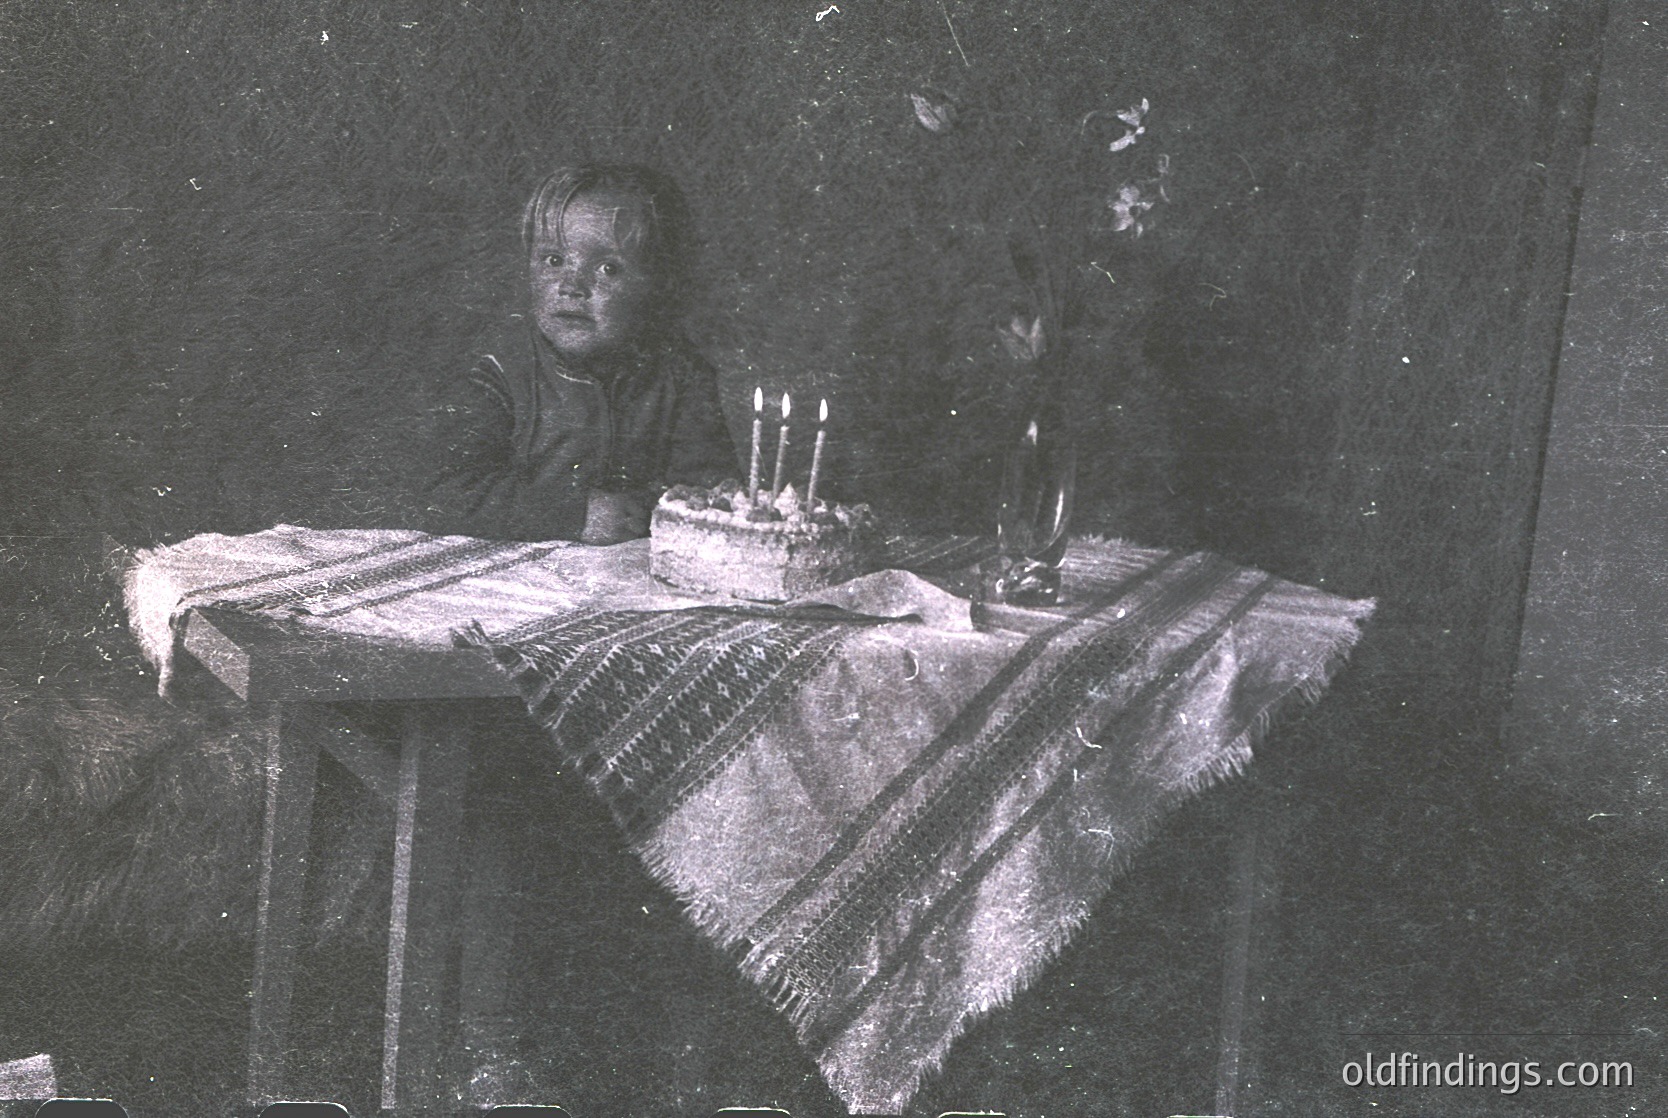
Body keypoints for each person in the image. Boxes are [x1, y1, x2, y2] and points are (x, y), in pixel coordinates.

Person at [425, 164, 739, 543]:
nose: (572, 286)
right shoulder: (499, 372)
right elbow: (445, 494)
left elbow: (712, 489)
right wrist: (570, 514)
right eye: (554, 260)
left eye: (608, 268)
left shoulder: (679, 374)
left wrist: (650, 509)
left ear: (656, 284)